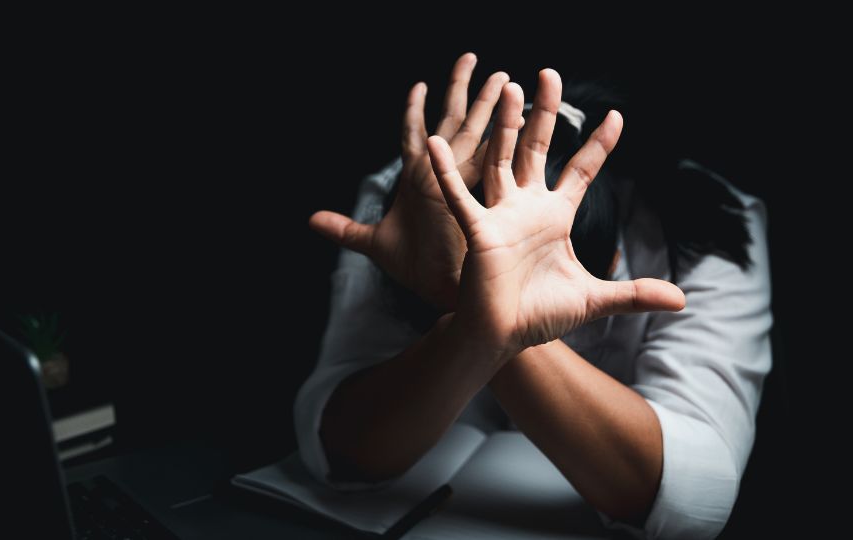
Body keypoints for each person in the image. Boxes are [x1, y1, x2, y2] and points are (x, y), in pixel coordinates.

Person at [296, 53, 771, 539]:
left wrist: (472, 303)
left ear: (611, 262)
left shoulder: (707, 223)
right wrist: (479, 313)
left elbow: (694, 498)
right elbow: (340, 451)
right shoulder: (418, 197)